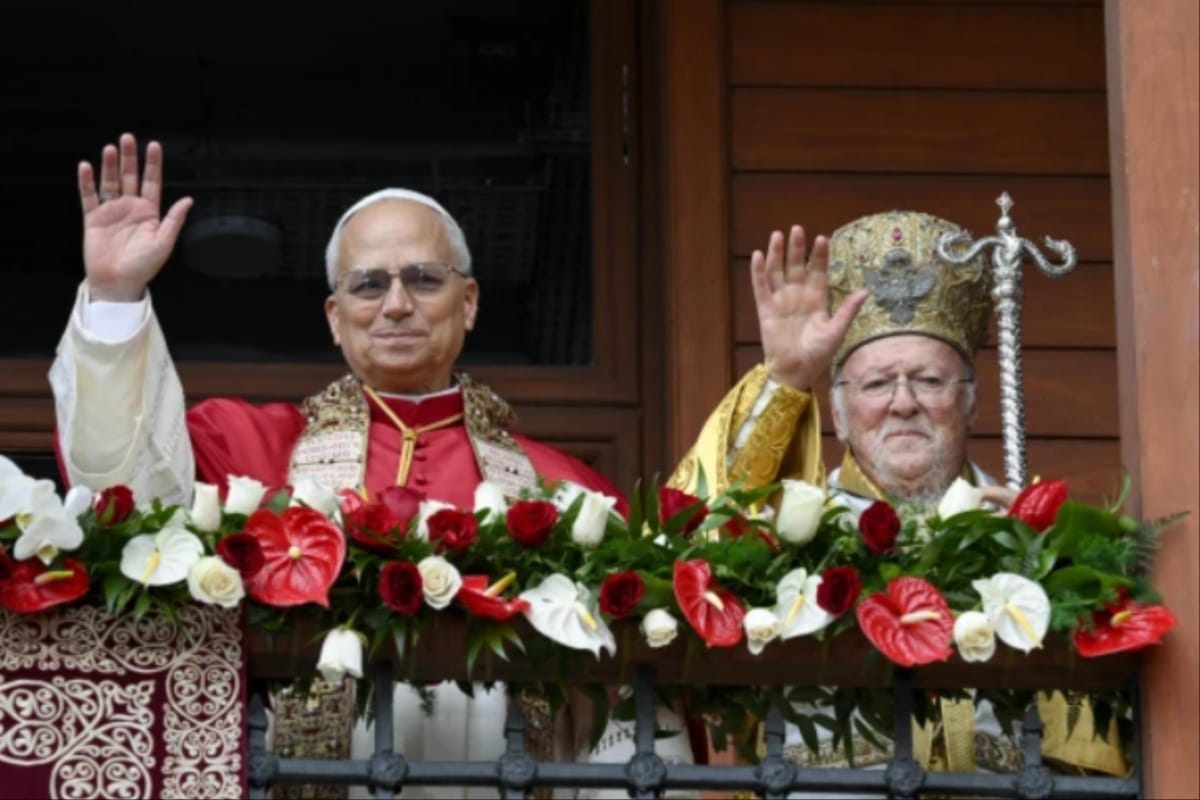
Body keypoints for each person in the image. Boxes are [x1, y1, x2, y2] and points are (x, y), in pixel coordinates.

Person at [49, 133, 694, 799]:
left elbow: (628, 709)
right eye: (367, 284)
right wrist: (115, 296)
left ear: (468, 302)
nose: (394, 304)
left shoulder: (566, 488)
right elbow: (124, 498)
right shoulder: (244, 447)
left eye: (422, 278)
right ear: (335, 316)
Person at [671, 211, 1126, 781]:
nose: (904, 402)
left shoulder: (1037, 536)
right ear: (837, 412)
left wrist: (1037, 555)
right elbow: (688, 539)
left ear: (970, 403)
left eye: (930, 381)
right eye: (877, 384)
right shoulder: (790, 528)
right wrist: (785, 379)